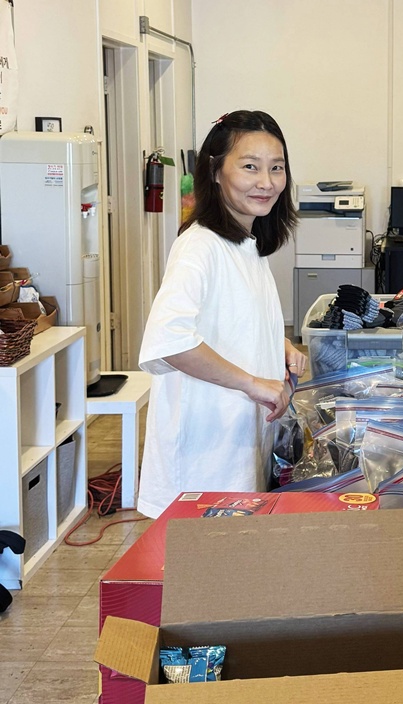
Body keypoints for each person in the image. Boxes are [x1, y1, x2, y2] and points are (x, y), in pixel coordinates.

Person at [137, 110, 307, 519]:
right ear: (215, 171)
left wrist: (279, 344)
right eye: (250, 167)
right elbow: (170, 340)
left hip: (239, 439)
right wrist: (252, 383)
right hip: (205, 451)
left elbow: (233, 321)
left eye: (277, 168)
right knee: (208, 554)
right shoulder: (200, 246)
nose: (266, 182)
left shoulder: (246, 243)